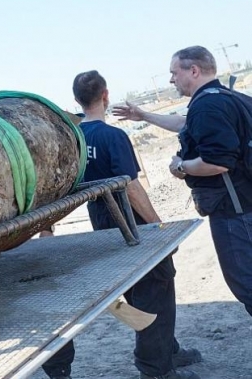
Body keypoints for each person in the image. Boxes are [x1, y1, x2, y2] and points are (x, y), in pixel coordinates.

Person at [42, 70, 202, 379]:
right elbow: (130, 186)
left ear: (77, 100)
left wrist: (46, 228)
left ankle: (168, 349)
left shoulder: (74, 140)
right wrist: (159, 226)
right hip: (131, 220)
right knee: (157, 287)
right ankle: (156, 369)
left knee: (134, 291)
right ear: (105, 96)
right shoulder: (113, 136)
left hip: (101, 221)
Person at [114, 46, 252, 316]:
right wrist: (143, 116)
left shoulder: (207, 106)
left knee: (246, 284)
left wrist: (181, 166)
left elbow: (217, 162)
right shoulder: (227, 97)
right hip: (244, 205)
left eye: (173, 72)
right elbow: (184, 124)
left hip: (235, 214)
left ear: (194, 70)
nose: (170, 79)